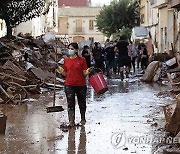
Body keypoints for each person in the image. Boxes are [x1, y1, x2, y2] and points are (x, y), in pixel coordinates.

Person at [58, 42, 91, 127]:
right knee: (70, 103)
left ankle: (83, 119)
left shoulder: (82, 60)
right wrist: (59, 69)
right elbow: (65, 74)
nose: (70, 50)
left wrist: (88, 71)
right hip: (69, 84)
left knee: (82, 103)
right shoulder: (66, 60)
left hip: (81, 85)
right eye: (69, 48)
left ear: (76, 50)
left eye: (72, 49)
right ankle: (71, 121)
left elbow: (84, 73)